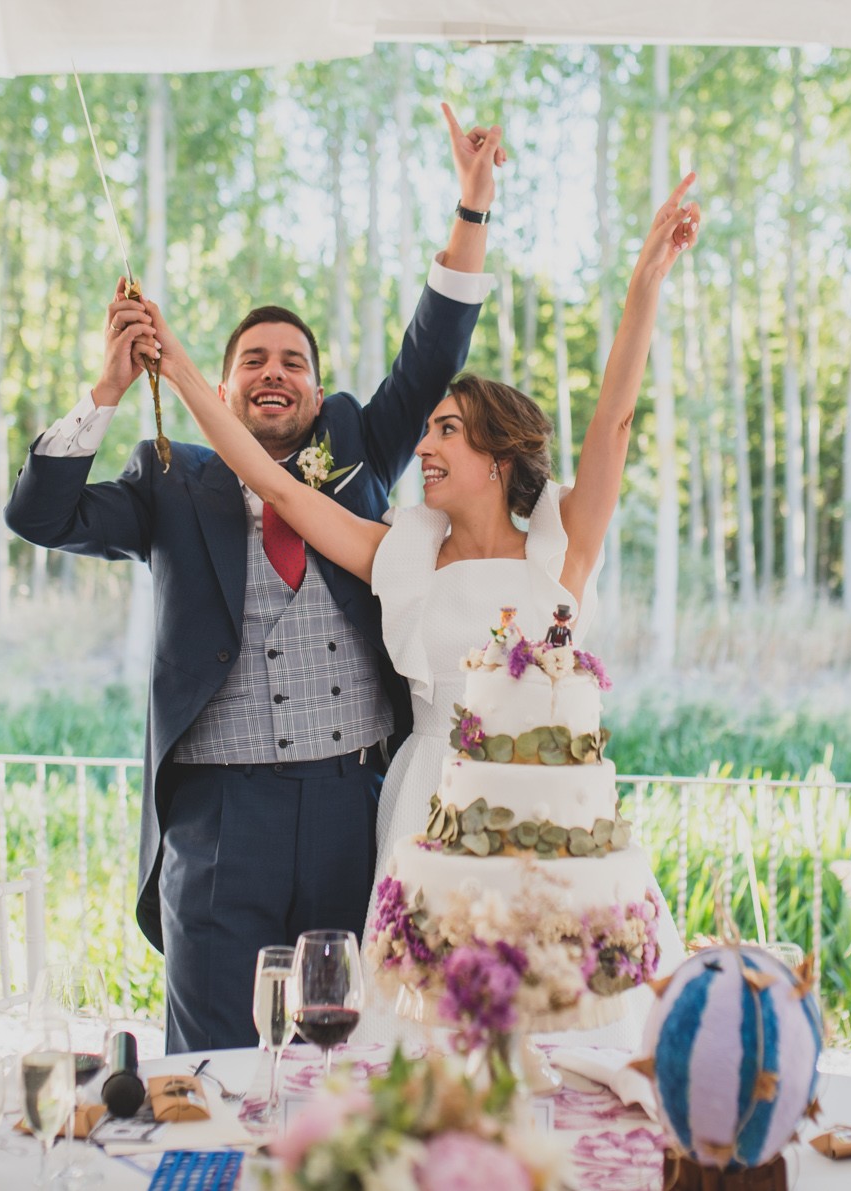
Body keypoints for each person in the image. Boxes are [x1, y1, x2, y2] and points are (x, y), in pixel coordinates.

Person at [138, 171, 702, 1045]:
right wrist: (178, 368)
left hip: (555, 829)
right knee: (420, 1044)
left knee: (557, 1037)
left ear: (497, 456)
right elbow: (276, 489)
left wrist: (643, 289)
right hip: (425, 815)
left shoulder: (563, 544)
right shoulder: (400, 549)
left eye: (444, 431)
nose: (421, 446)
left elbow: (616, 422)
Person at [3, 106, 508, 1052]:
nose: (274, 373)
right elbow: (41, 516)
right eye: (252, 362)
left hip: (352, 804)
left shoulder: (360, 447)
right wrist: (107, 390)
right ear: (222, 390)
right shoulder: (169, 473)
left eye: (294, 363)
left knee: (351, 1054)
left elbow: (434, 351)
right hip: (219, 818)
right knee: (214, 1065)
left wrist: (471, 206)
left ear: (319, 392)